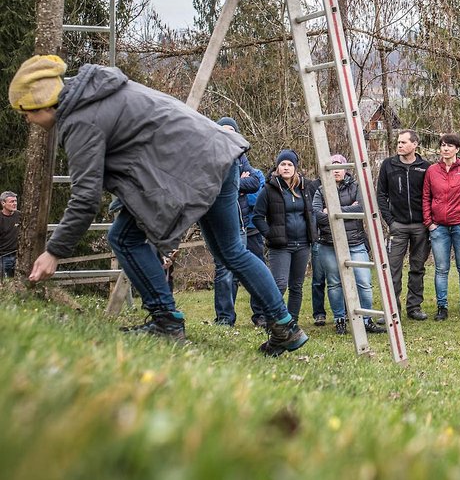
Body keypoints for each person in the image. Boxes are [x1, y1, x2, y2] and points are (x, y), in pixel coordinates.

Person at [10, 55, 306, 354]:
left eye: (26, 113)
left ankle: (166, 321)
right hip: (218, 155)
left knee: (124, 238)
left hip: (193, 167)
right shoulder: (97, 91)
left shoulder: (80, 120)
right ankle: (285, 326)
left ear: (43, 104)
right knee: (231, 251)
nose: (27, 120)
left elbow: (85, 198)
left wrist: (54, 252)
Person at [312, 154, 387, 336]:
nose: (336, 170)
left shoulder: (356, 187)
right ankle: (340, 320)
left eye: (339, 166)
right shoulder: (321, 190)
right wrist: (346, 211)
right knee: (334, 283)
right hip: (329, 243)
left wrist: (333, 211)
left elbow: (361, 208)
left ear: (345, 169)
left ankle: (366, 320)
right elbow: (318, 216)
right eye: (332, 166)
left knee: (364, 282)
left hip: (355, 242)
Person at [212, 117, 268, 327]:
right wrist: (237, 183)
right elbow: (212, 183)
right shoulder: (210, 154)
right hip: (220, 223)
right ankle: (225, 318)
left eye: (232, 130)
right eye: (224, 129)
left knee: (248, 267)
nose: (228, 134)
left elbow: (254, 182)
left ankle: (261, 314)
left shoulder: (241, 156)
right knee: (224, 271)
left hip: (242, 223)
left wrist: (232, 184)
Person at [252, 150, 317, 321]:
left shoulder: (305, 187)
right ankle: (272, 319)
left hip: (303, 244)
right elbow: (257, 217)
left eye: (290, 164)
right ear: (277, 167)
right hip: (281, 246)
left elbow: (312, 212)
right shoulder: (268, 190)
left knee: (296, 286)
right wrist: (270, 234)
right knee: (279, 285)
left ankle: (292, 322)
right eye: (283, 164)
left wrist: (312, 232)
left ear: (295, 168)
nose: (286, 167)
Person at [423, 133, 460, 320]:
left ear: (457, 149)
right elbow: (426, 197)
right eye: (443, 145)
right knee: (441, 269)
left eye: (449, 146)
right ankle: (442, 307)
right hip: (438, 228)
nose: (445, 149)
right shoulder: (432, 170)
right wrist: (429, 223)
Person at [376, 130, 431, 321]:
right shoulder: (388, 165)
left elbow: (432, 195)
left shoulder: (425, 167)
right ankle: (392, 310)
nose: (399, 145)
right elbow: (381, 195)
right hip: (397, 226)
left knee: (417, 267)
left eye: (404, 142)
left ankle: (414, 307)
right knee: (392, 269)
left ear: (415, 144)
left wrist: (428, 221)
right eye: (398, 142)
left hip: (421, 227)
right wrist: (390, 221)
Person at [0, 191, 19, 279]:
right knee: (4, 282)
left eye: (15, 201)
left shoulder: (20, 215)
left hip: (18, 256)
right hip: (3, 257)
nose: (14, 203)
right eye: (11, 201)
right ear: (3, 203)